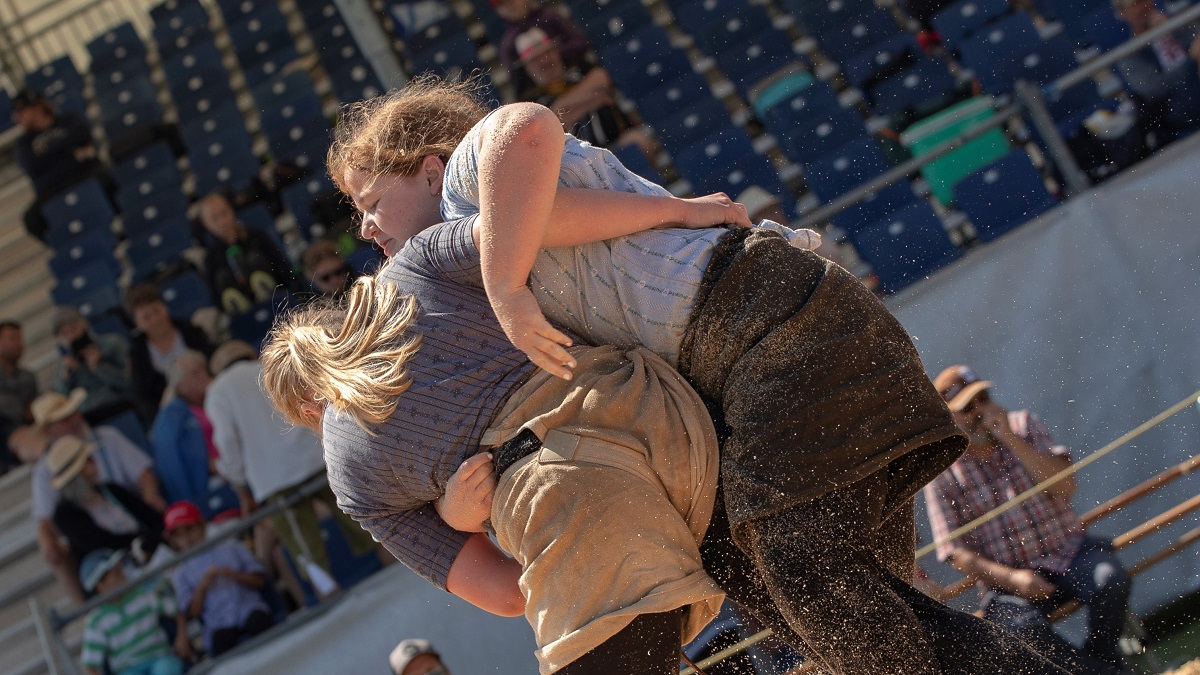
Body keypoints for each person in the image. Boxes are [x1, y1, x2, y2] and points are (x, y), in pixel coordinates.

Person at [264, 83, 1076, 672]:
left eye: (370, 200)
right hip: (747, 368)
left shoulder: (464, 197)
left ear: (429, 166)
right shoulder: (450, 262)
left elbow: (526, 125)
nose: (363, 227)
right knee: (854, 621)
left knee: (833, 606)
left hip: (765, 330)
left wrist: (524, 287)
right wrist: (676, 209)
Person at [925, 365, 1133, 672]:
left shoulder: (1023, 424)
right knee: (1020, 635)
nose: (981, 410)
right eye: (968, 407)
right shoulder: (942, 470)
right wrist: (1012, 579)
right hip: (1007, 582)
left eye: (984, 397)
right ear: (950, 418)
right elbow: (952, 550)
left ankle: (1100, 664)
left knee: (1110, 582)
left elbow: (1066, 486)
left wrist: (1010, 438)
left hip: (1070, 552)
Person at [205, 339, 375, 594]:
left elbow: (226, 442)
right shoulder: (271, 366)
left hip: (274, 479)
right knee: (368, 524)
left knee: (308, 556)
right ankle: (405, 578)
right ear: (250, 354)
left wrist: (239, 480)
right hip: (318, 458)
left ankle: (333, 604)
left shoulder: (218, 391)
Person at [31, 390, 165, 602]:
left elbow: (144, 476)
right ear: (50, 430)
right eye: (65, 419)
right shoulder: (64, 508)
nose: (75, 420)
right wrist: (48, 544)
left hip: (133, 528)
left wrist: (150, 497)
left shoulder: (108, 469)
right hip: (113, 555)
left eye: (74, 413)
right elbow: (49, 524)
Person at [163, 501, 275, 657]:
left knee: (261, 624)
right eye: (178, 535)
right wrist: (202, 587)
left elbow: (260, 582)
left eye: (189, 529)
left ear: (201, 525)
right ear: (173, 540)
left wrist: (235, 576)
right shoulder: (180, 573)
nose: (186, 538)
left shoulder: (232, 547)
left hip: (249, 609)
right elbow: (193, 612)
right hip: (219, 625)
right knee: (222, 645)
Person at [511, 27, 646, 152]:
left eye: (548, 53)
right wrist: (594, 99)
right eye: (536, 59)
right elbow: (550, 124)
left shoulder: (579, 69)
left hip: (618, 143)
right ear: (527, 68)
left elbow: (602, 79)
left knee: (639, 141)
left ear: (557, 52)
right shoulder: (529, 101)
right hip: (578, 163)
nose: (545, 61)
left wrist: (562, 108)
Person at [11, 89, 112, 242]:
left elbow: (82, 135)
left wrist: (47, 156)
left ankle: (116, 227)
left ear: (37, 107)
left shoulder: (68, 120)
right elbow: (31, 165)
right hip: (52, 189)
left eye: (22, 112)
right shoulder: (24, 143)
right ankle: (65, 245)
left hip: (83, 175)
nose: (18, 118)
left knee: (109, 178)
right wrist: (70, 153)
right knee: (32, 219)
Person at [48, 434, 164, 565]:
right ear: (78, 474)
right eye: (89, 459)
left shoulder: (110, 489)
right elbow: (103, 544)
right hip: (120, 569)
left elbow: (150, 517)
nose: (95, 462)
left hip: (154, 554)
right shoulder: (65, 515)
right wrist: (148, 541)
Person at [150, 351, 238, 515]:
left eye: (204, 370)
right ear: (179, 385)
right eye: (195, 373)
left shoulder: (215, 398)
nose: (204, 376)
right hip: (215, 480)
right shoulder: (174, 418)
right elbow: (197, 458)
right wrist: (232, 472)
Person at [79, 548, 190, 675]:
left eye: (121, 571)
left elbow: (175, 610)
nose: (124, 576)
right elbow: (90, 665)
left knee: (166, 669)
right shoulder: (96, 620)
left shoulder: (142, 594)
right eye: (117, 574)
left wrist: (182, 637)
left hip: (160, 657)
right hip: (128, 670)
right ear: (100, 584)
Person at [197, 191, 302, 315]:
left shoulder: (257, 236)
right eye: (214, 218)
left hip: (276, 296)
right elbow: (215, 298)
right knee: (222, 277)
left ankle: (264, 291)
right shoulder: (210, 258)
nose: (222, 222)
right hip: (242, 310)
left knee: (254, 259)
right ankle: (240, 307)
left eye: (224, 213)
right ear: (206, 224)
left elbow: (283, 269)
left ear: (231, 210)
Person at [125, 284, 214, 427]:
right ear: (137, 324)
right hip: (175, 417)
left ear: (165, 307)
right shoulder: (138, 355)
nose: (155, 320)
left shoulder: (191, 331)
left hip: (210, 396)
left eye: (156, 311)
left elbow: (212, 362)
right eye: (146, 318)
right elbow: (143, 398)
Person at [1112, 0, 1200, 141]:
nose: (1145, 6)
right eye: (1136, 4)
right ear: (1123, 14)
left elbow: (1196, 42)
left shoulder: (1179, 24)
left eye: (1146, 0)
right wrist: (1190, 62)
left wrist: (1172, 30)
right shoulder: (1128, 56)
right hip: (1174, 106)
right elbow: (1155, 89)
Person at [52, 307, 135, 426]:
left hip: (121, 405)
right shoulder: (63, 367)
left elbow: (131, 382)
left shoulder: (111, 344)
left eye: (73, 329)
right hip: (89, 417)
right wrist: (66, 378)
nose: (71, 336)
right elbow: (62, 404)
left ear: (84, 325)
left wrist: (100, 367)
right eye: (65, 334)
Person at [493, 0, 590, 97]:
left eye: (512, 1)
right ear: (498, 11)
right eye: (502, 5)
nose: (510, 6)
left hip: (576, 75)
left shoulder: (550, 18)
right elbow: (519, 84)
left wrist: (554, 56)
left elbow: (580, 43)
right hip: (543, 95)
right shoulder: (508, 45)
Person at [0, 319, 37, 468]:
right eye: (13, 338)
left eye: (20, 338)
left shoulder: (27, 377)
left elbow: (32, 410)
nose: (19, 343)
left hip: (27, 431)